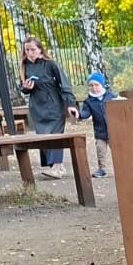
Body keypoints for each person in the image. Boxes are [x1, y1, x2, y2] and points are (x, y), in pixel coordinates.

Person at [20, 36, 78, 178]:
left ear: (40, 49)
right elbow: (21, 87)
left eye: (33, 49)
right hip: (37, 106)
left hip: (54, 104)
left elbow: (64, 84)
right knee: (43, 136)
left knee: (55, 135)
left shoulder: (50, 64)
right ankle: (56, 166)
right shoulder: (24, 66)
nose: (30, 52)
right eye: (27, 50)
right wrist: (26, 88)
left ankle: (57, 169)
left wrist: (70, 104)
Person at [77, 72, 111, 176]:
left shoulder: (110, 96)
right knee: (100, 150)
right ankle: (102, 169)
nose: (94, 88)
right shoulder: (89, 101)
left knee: (119, 149)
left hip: (114, 129)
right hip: (100, 131)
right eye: (91, 85)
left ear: (102, 85)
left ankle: (123, 166)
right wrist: (79, 114)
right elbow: (86, 113)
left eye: (96, 85)